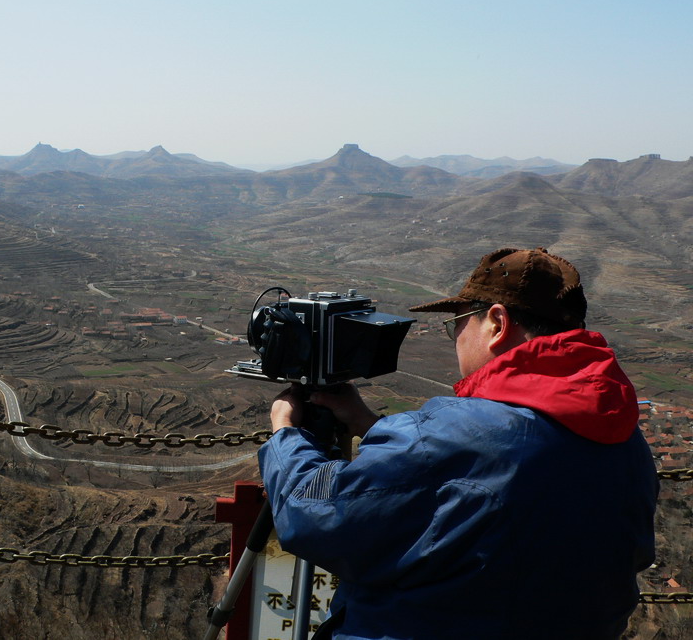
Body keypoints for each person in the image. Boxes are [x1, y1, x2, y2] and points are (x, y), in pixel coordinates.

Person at [258, 247, 658, 640]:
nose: (456, 336)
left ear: (497, 324)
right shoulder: (624, 439)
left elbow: (313, 516)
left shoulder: (456, 434)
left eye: (459, 322)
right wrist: (369, 424)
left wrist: (285, 432)